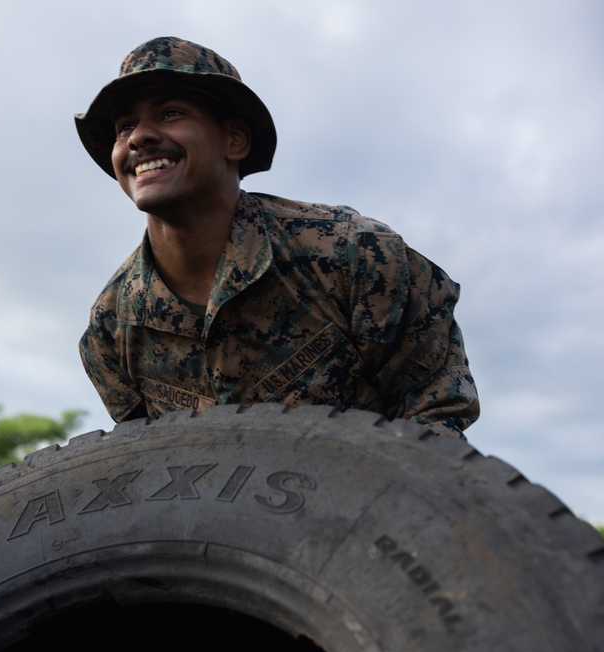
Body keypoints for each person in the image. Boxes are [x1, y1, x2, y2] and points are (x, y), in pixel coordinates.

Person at [76, 37, 478, 439]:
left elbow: (437, 421)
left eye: (170, 113)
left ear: (234, 139)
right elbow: (143, 459)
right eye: (124, 126)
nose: (139, 137)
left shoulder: (356, 256)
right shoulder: (112, 325)